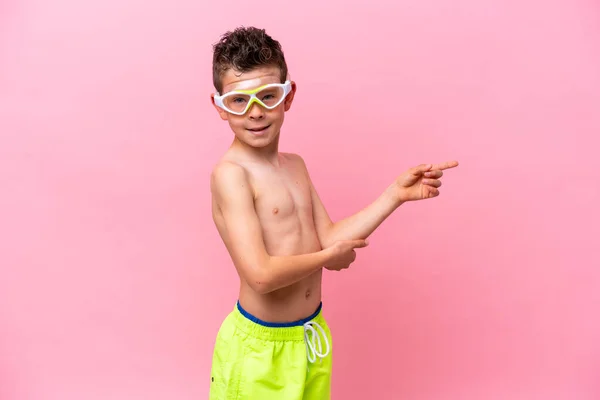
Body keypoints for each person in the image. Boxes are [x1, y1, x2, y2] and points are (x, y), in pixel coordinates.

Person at [207, 26, 458, 400]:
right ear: (220, 108)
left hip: (308, 337)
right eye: (239, 101)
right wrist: (328, 258)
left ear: (288, 97)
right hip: (260, 349)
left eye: (268, 96)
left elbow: (328, 237)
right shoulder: (231, 175)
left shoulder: (295, 166)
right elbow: (259, 275)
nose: (255, 112)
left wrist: (394, 196)